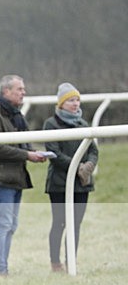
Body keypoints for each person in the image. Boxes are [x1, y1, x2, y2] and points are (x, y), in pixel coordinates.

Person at [0, 74, 47, 276]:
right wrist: (27, 154)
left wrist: (34, 152)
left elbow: (23, 142)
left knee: (11, 224)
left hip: (16, 178)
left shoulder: (17, 115)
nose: (23, 92)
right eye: (19, 89)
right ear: (6, 91)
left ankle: (2, 267)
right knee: (4, 223)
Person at [42, 83, 98, 273]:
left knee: (76, 224)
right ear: (62, 103)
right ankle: (55, 263)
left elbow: (93, 150)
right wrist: (77, 166)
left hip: (82, 183)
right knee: (60, 223)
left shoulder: (83, 124)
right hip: (59, 183)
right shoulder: (51, 124)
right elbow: (54, 152)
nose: (76, 104)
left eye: (77, 100)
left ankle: (71, 262)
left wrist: (88, 166)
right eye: (71, 100)